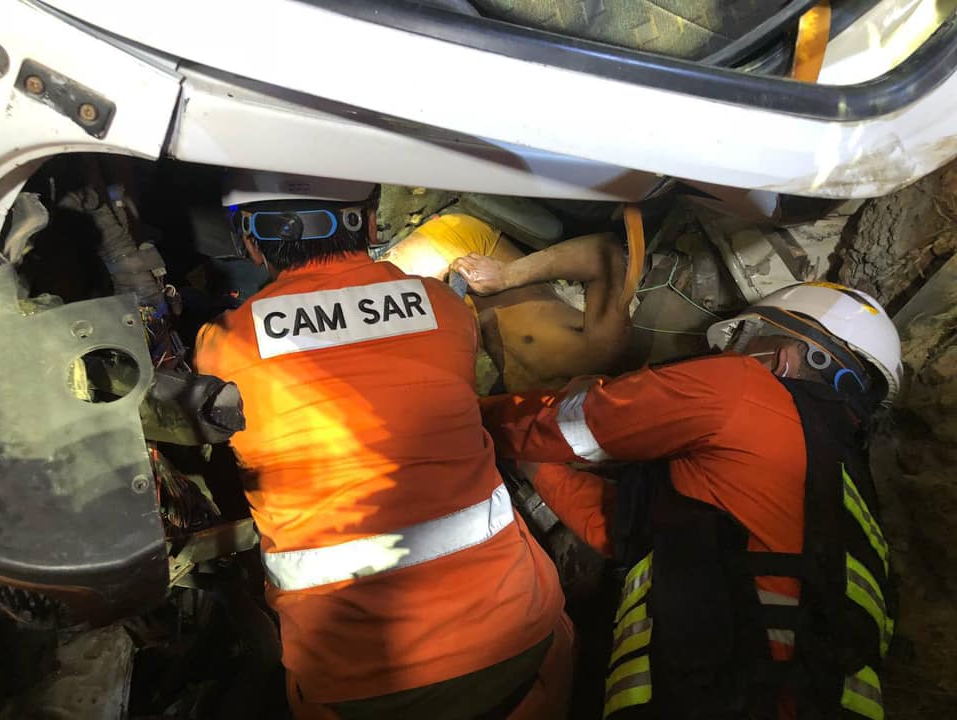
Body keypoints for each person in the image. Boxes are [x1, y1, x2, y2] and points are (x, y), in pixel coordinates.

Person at [193, 171, 571, 720]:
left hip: (357, 685)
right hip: (524, 637)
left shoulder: (223, 346)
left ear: (250, 243)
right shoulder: (442, 307)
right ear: (370, 224)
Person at [479, 282, 901, 720]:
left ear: (784, 358)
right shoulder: (852, 501)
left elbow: (580, 421)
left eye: (746, 344)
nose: (730, 358)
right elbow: (637, 532)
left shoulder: (747, 388)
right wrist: (536, 467)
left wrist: (464, 414)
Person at [380, 207, 645, 392]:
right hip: (468, 252)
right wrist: (506, 276)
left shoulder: (519, 416)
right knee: (377, 306)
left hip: (453, 303)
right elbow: (604, 251)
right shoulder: (600, 353)